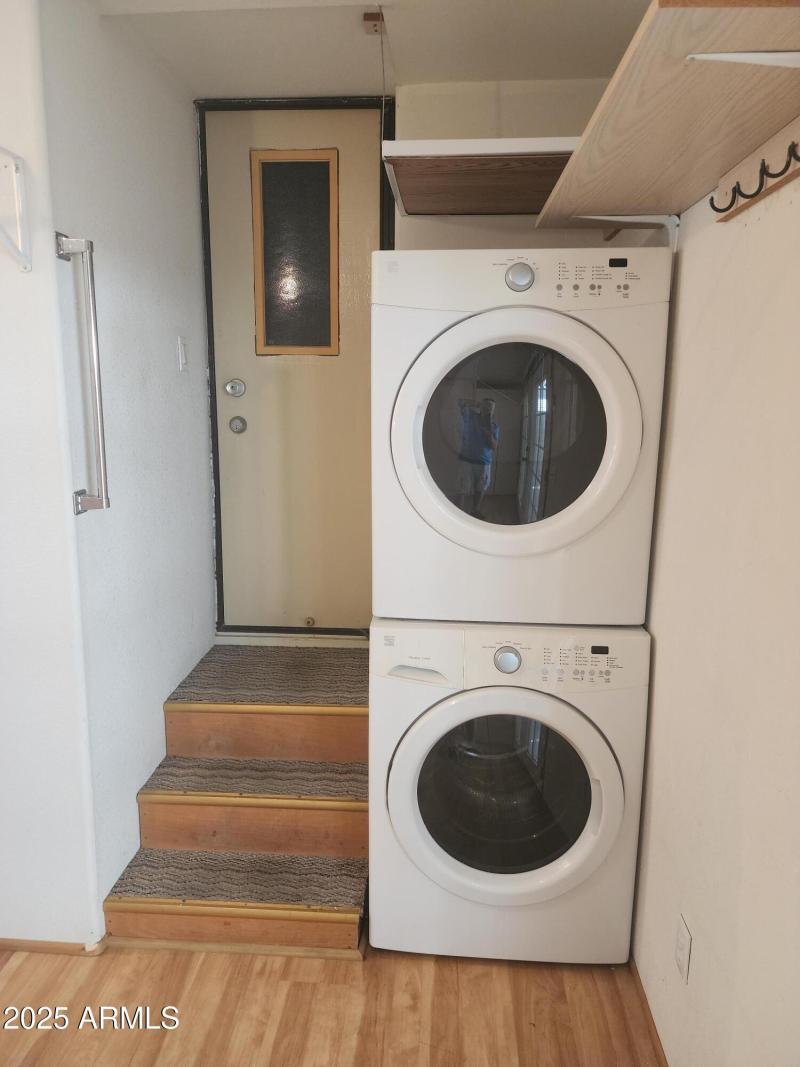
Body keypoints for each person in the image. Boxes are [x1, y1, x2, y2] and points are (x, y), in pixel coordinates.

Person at [457, 397, 499, 519]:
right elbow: (460, 402)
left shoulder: (494, 426)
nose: (488, 409)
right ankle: (458, 513)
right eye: (486, 406)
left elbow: (494, 446)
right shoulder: (470, 416)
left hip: (484, 462)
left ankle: (475, 511)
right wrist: (475, 403)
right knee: (463, 487)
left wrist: (488, 433)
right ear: (482, 406)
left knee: (481, 488)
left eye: (491, 408)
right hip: (466, 458)